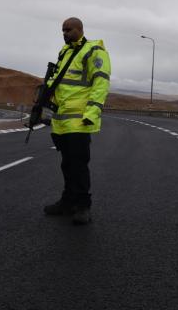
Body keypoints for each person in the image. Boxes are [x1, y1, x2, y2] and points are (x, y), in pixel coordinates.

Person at [44, 17, 111, 225]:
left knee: (79, 165)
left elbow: (100, 83)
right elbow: (58, 83)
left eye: (69, 29)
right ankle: (67, 202)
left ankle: (83, 207)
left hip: (80, 121)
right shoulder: (64, 52)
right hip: (61, 121)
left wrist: (91, 113)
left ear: (80, 29)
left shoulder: (93, 51)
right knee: (67, 164)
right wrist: (44, 104)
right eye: (62, 30)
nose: (64, 33)